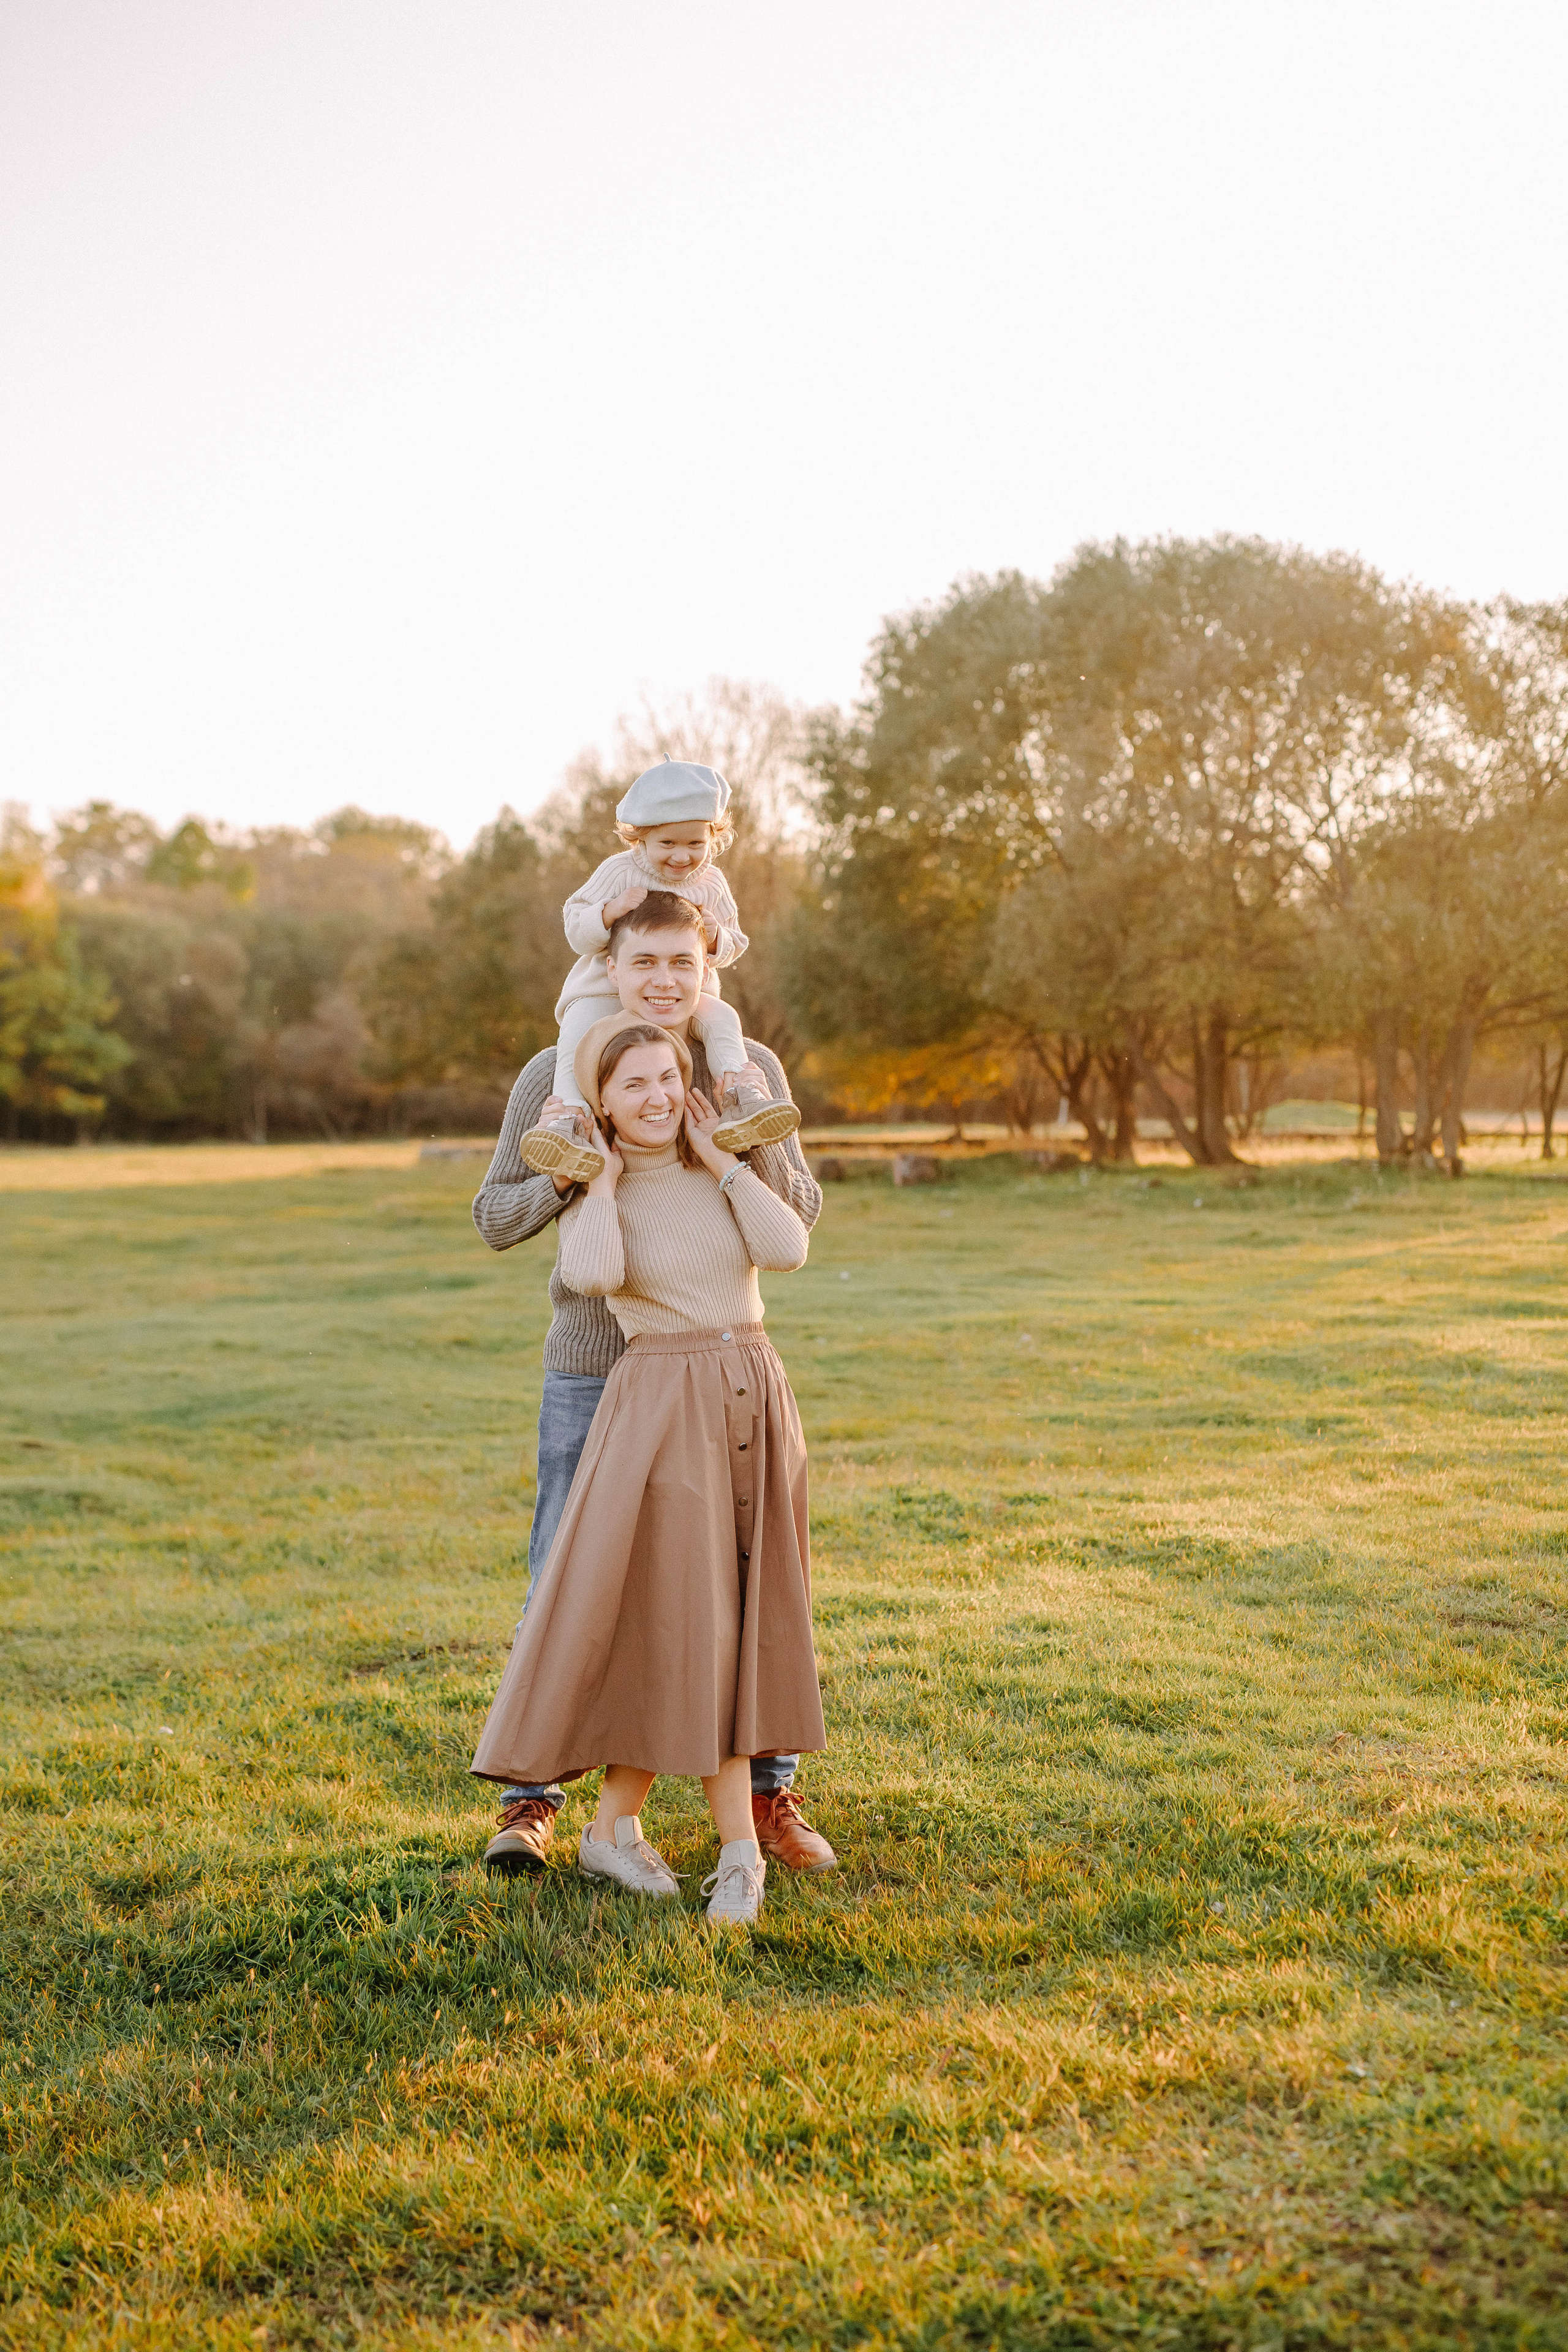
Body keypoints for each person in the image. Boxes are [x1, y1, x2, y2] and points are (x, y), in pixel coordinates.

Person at [471, 889, 837, 1877]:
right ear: (613, 969)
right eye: (646, 965)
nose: (665, 981)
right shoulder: (557, 1074)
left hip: (714, 1370)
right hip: (597, 1369)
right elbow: (495, 1217)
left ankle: (766, 1798)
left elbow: (798, 1207)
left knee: (746, 1577)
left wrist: (733, 1143)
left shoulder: (739, 1072)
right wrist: (574, 1171)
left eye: (685, 964)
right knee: (569, 1578)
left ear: (708, 974)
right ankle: (533, 1800)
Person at [515, 758, 800, 1185]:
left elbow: (735, 944)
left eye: (695, 843)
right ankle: (568, 1124)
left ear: (713, 837)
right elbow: (576, 924)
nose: (682, 856)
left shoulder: (712, 883)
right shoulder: (618, 872)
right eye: (667, 843)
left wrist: (711, 934)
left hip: (689, 996)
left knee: (724, 1019)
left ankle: (743, 1095)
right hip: (603, 993)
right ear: (640, 837)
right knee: (577, 1034)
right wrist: (609, 912)